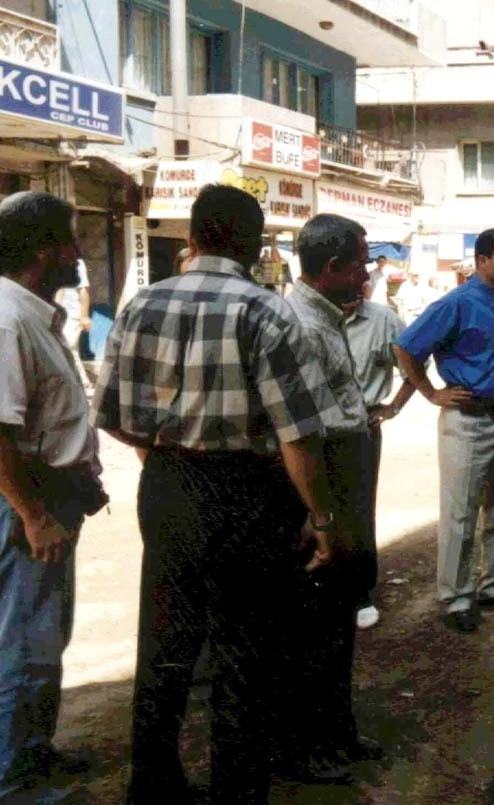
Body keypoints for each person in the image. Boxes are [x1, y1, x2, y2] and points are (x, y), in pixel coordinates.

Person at [92, 184, 339, 804]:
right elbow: (297, 434)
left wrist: (165, 455)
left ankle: (152, 785)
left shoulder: (142, 305)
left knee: (166, 641)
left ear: (195, 237)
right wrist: (321, 515)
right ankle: (236, 790)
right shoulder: (267, 311)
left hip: (169, 484)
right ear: (255, 245)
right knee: (245, 650)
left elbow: (114, 414)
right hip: (247, 491)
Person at [0, 192, 107, 805]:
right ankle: (13, 780)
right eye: (70, 242)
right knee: (25, 642)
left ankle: (33, 753)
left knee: (42, 636)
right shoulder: (10, 319)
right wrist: (34, 516)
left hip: (48, 499)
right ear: (45, 251)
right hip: (29, 503)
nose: (78, 255)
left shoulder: (33, 314)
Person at [278, 214, 382, 783]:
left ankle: (335, 732)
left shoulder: (324, 317)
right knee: (314, 630)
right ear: (334, 268)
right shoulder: (303, 326)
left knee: (337, 620)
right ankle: (308, 747)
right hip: (327, 486)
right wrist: (321, 515)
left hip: (344, 483)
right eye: (361, 263)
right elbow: (304, 435)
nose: (367, 273)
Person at [395, 229, 494, 634]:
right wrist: (431, 392)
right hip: (468, 420)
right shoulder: (455, 302)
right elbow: (405, 348)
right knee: (461, 512)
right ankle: (457, 596)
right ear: (482, 260)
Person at [343, 283, 418, 629]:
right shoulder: (306, 314)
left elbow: (413, 366)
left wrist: (393, 408)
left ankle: (359, 591)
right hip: (312, 427)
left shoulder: (384, 319)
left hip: (362, 428)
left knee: (358, 510)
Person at [54, 258, 93, 397]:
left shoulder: (77, 263)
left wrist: (84, 316)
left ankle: (83, 383)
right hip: (58, 313)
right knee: (68, 349)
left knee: (67, 347)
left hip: (72, 314)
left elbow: (84, 290)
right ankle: (80, 383)